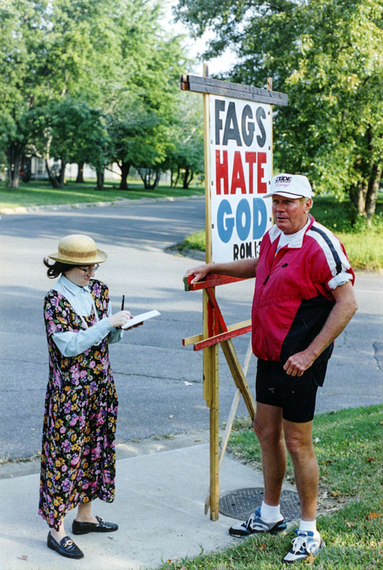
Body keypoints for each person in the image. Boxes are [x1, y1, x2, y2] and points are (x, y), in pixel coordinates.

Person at [185, 174, 358, 564]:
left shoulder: (321, 245)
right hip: (269, 351)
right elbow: (258, 265)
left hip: (300, 358)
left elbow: (347, 303)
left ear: (308, 204)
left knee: (298, 442)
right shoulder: (275, 236)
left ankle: (309, 528)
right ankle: (270, 513)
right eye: (276, 201)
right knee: (266, 431)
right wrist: (214, 267)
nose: (280, 208)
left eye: (289, 202)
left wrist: (310, 354)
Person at [39, 234, 133, 560]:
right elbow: (69, 346)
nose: (91, 271)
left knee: (94, 450)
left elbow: (106, 340)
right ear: (66, 265)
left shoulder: (98, 290)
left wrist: (118, 327)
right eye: (85, 266)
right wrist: (107, 323)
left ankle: (85, 516)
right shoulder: (54, 301)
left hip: (99, 385)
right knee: (65, 457)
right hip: (70, 392)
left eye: (94, 264)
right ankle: (56, 528)